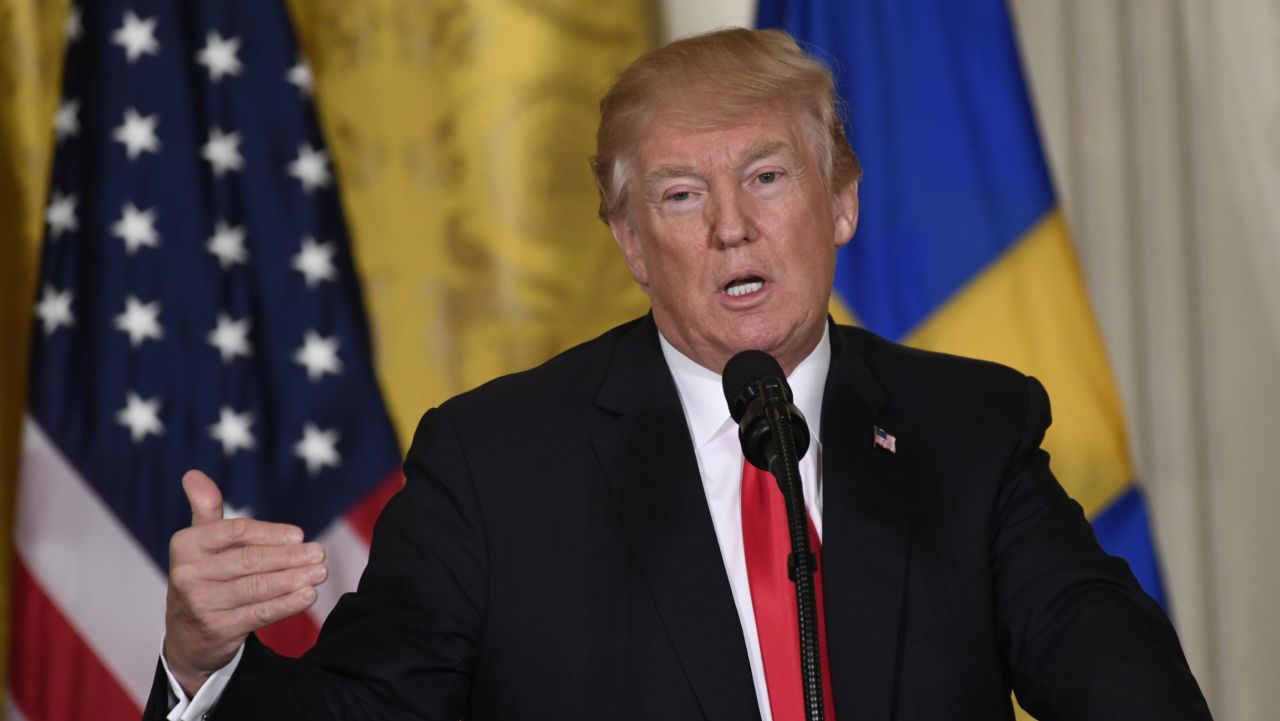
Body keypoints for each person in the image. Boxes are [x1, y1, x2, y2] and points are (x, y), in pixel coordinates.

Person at [147, 28, 1212, 721]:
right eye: (679, 197)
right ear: (626, 241)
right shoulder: (495, 463)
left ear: (838, 201)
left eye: (765, 177)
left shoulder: (965, 427)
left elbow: (1117, 676)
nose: (733, 229)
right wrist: (206, 662)